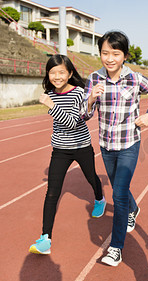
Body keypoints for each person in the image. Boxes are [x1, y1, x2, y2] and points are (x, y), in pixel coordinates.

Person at [81, 30, 148, 267]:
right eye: (105, 53)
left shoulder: (135, 78)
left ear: (124, 55)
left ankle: (116, 248)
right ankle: (133, 209)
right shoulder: (94, 78)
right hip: (106, 145)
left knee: (118, 194)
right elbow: (85, 115)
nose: (109, 58)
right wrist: (89, 100)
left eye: (115, 53)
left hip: (129, 143)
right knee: (120, 187)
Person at [29, 54, 106, 255]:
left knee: (91, 178)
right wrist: (52, 102)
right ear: (48, 75)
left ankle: (99, 198)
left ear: (70, 73)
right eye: (52, 72)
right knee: (52, 192)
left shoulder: (79, 92)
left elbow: (72, 122)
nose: (57, 76)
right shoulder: (51, 94)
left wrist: (52, 106)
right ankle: (45, 239)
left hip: (81, 146)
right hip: (60, 150)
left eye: (61, 72)